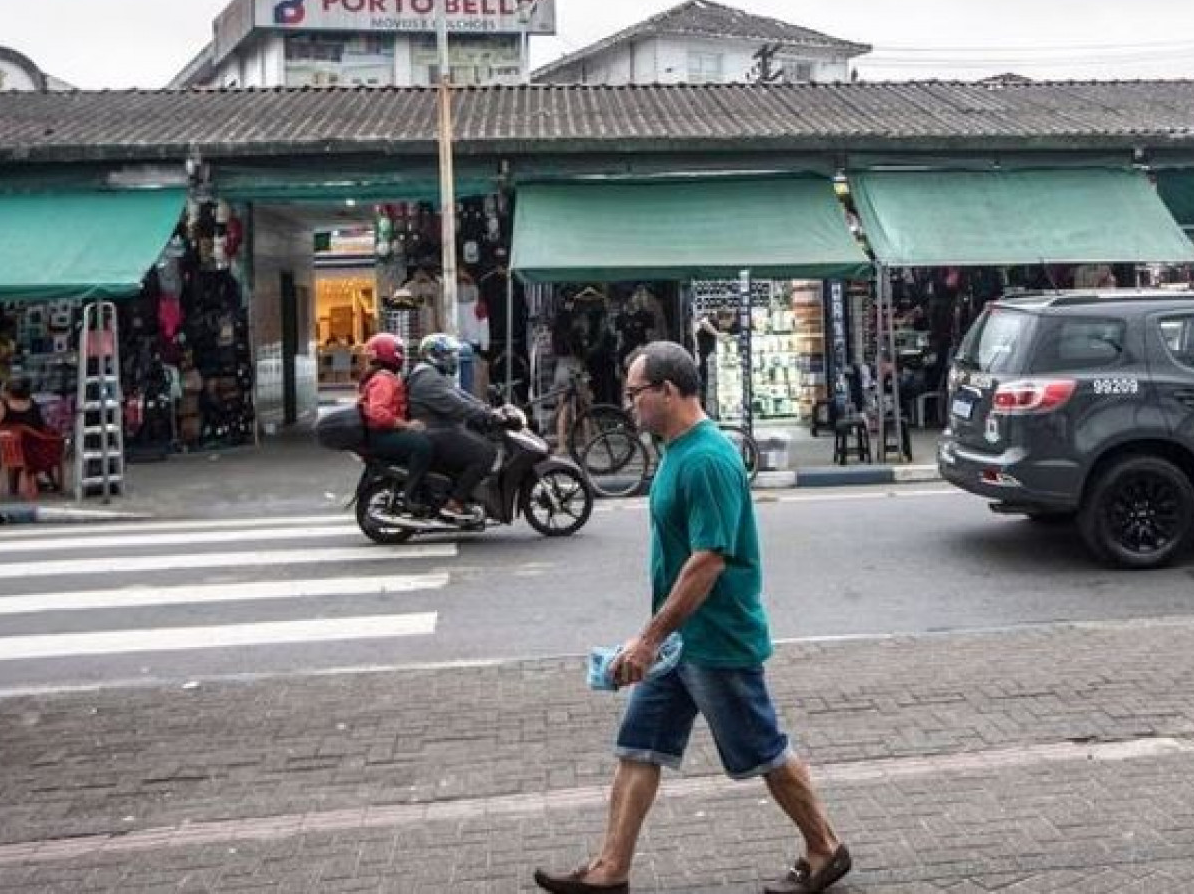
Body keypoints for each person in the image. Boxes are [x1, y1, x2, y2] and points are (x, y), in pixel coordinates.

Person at [534, 341, 850, 894]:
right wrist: (657, 637)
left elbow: (708, 561)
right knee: (639, 746)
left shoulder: (706, 460)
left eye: (635, 395)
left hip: (716, 641)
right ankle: (612, 870)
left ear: (668, 391)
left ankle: (826, 848)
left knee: (766, 753)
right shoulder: (678, 450)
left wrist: (650, 638)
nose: (630, 406)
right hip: (680, 643)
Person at [406, 333, 512, 520]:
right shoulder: (428, 380)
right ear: (434, 355)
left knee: (478, 441)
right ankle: (455, 503)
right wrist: (486, 414)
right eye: (449, 355)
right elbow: (457, 405)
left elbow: (461, 396)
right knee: (486, 453)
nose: (453, 359)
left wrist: (489, 409)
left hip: (441, 429)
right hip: (436, 432)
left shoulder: (432, 375)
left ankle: (464, 494)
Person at [358, 332, 432, 510]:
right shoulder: (383, 380)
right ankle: (410, 496)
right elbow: (378, 412)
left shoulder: (384, 377)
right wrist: (407, 426)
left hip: (383, 433)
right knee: (422, 447)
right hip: (381, 436)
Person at [0, 377, 64, 490]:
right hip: (41, 452)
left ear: (7, 392)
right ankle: (44, 480)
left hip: (13, 452)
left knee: (10, 440)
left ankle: (25, 483)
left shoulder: (2, 406)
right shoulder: (33, 404)